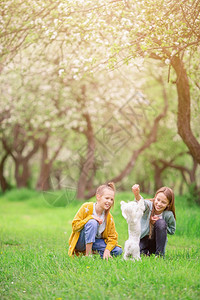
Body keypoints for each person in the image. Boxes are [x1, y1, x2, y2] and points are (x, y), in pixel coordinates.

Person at [68, 182, 122, 260]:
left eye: (111, 199)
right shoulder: (86, 207)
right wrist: (90, 217)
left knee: (118, 251)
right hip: (81, 242)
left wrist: (107, 250)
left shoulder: (109, 217)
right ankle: (88, 255)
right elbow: (75, 227)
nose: (109, 201)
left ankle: (97, 255)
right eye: (107, 198)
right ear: (98, 197)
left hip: (95, 243)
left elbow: (112, 237)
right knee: (93, 222)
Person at [132, 184, 176, 257]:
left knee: (161, 223)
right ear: (155, 197)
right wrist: (137, 195)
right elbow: (142, 203)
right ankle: (146, 252)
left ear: (168, 204)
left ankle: (159, 254)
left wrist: (160, 224)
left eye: (163, 202)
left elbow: (172, 231)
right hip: (144, 238)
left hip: (156, 242)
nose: (159, 204)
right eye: (158, 200)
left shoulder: (168, 215)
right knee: (140, 253)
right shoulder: (149, 205)